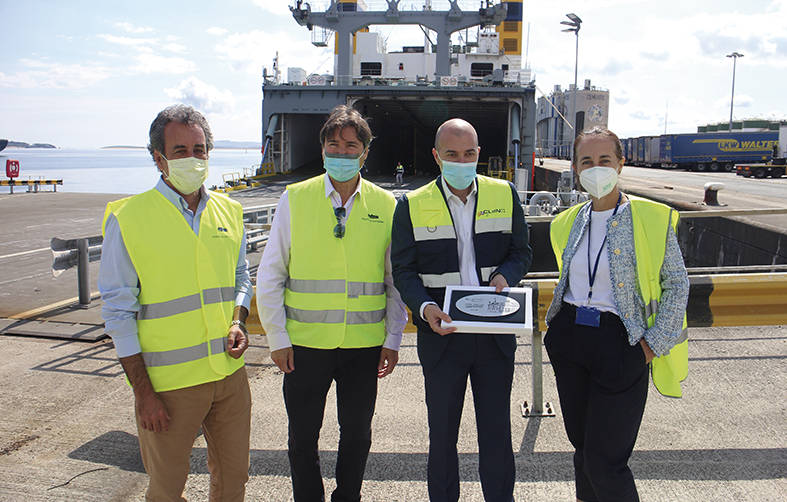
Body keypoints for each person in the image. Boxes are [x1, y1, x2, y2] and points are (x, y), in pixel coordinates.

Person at [98, 104, 252, 501]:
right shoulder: (130, 218)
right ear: (158, 158)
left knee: (234, 481)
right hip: (168, 386)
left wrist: (238, 320)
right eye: (180, 150)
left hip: (228, 376)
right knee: (166, 489)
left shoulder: (229, 211)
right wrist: (143, 394)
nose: (192, 158)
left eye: (199, 149)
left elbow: (240, 279)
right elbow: (118, 312)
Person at [257, 104, 407, 502]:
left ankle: (347, 497)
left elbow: (395, 282)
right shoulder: (295, 199)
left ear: (365, 153)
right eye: (333, 144)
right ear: (322, 148)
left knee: (357, 435)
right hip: (305, 346)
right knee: (302, 436)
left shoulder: (386, 205)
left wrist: (393, 338)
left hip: (364, 346)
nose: (341, 153)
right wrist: (277, 337)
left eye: (350, 145)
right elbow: (271, 274)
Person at [545, 126, 689, 501]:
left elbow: (677, 284)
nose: (596, 168)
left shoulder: (651, 219)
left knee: (605, 461)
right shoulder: (568, 221)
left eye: (604, 160)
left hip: (621, 344)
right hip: (571, 340)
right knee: (584, 453)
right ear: (576, 168)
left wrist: (650, 346)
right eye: (587, 161)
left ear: (621, 164)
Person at [391, 118, 532, 502]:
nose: (461, 160)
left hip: (493, 337)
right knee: (442, 436)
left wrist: (507, 274)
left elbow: (522, 252)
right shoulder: (411, 205)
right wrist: (424, 307)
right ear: (437, 156)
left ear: (478, 155)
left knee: (497, 435)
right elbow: (403, 271)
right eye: (452, 154)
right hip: (443, 338)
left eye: (469, 153)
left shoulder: (504, 193)